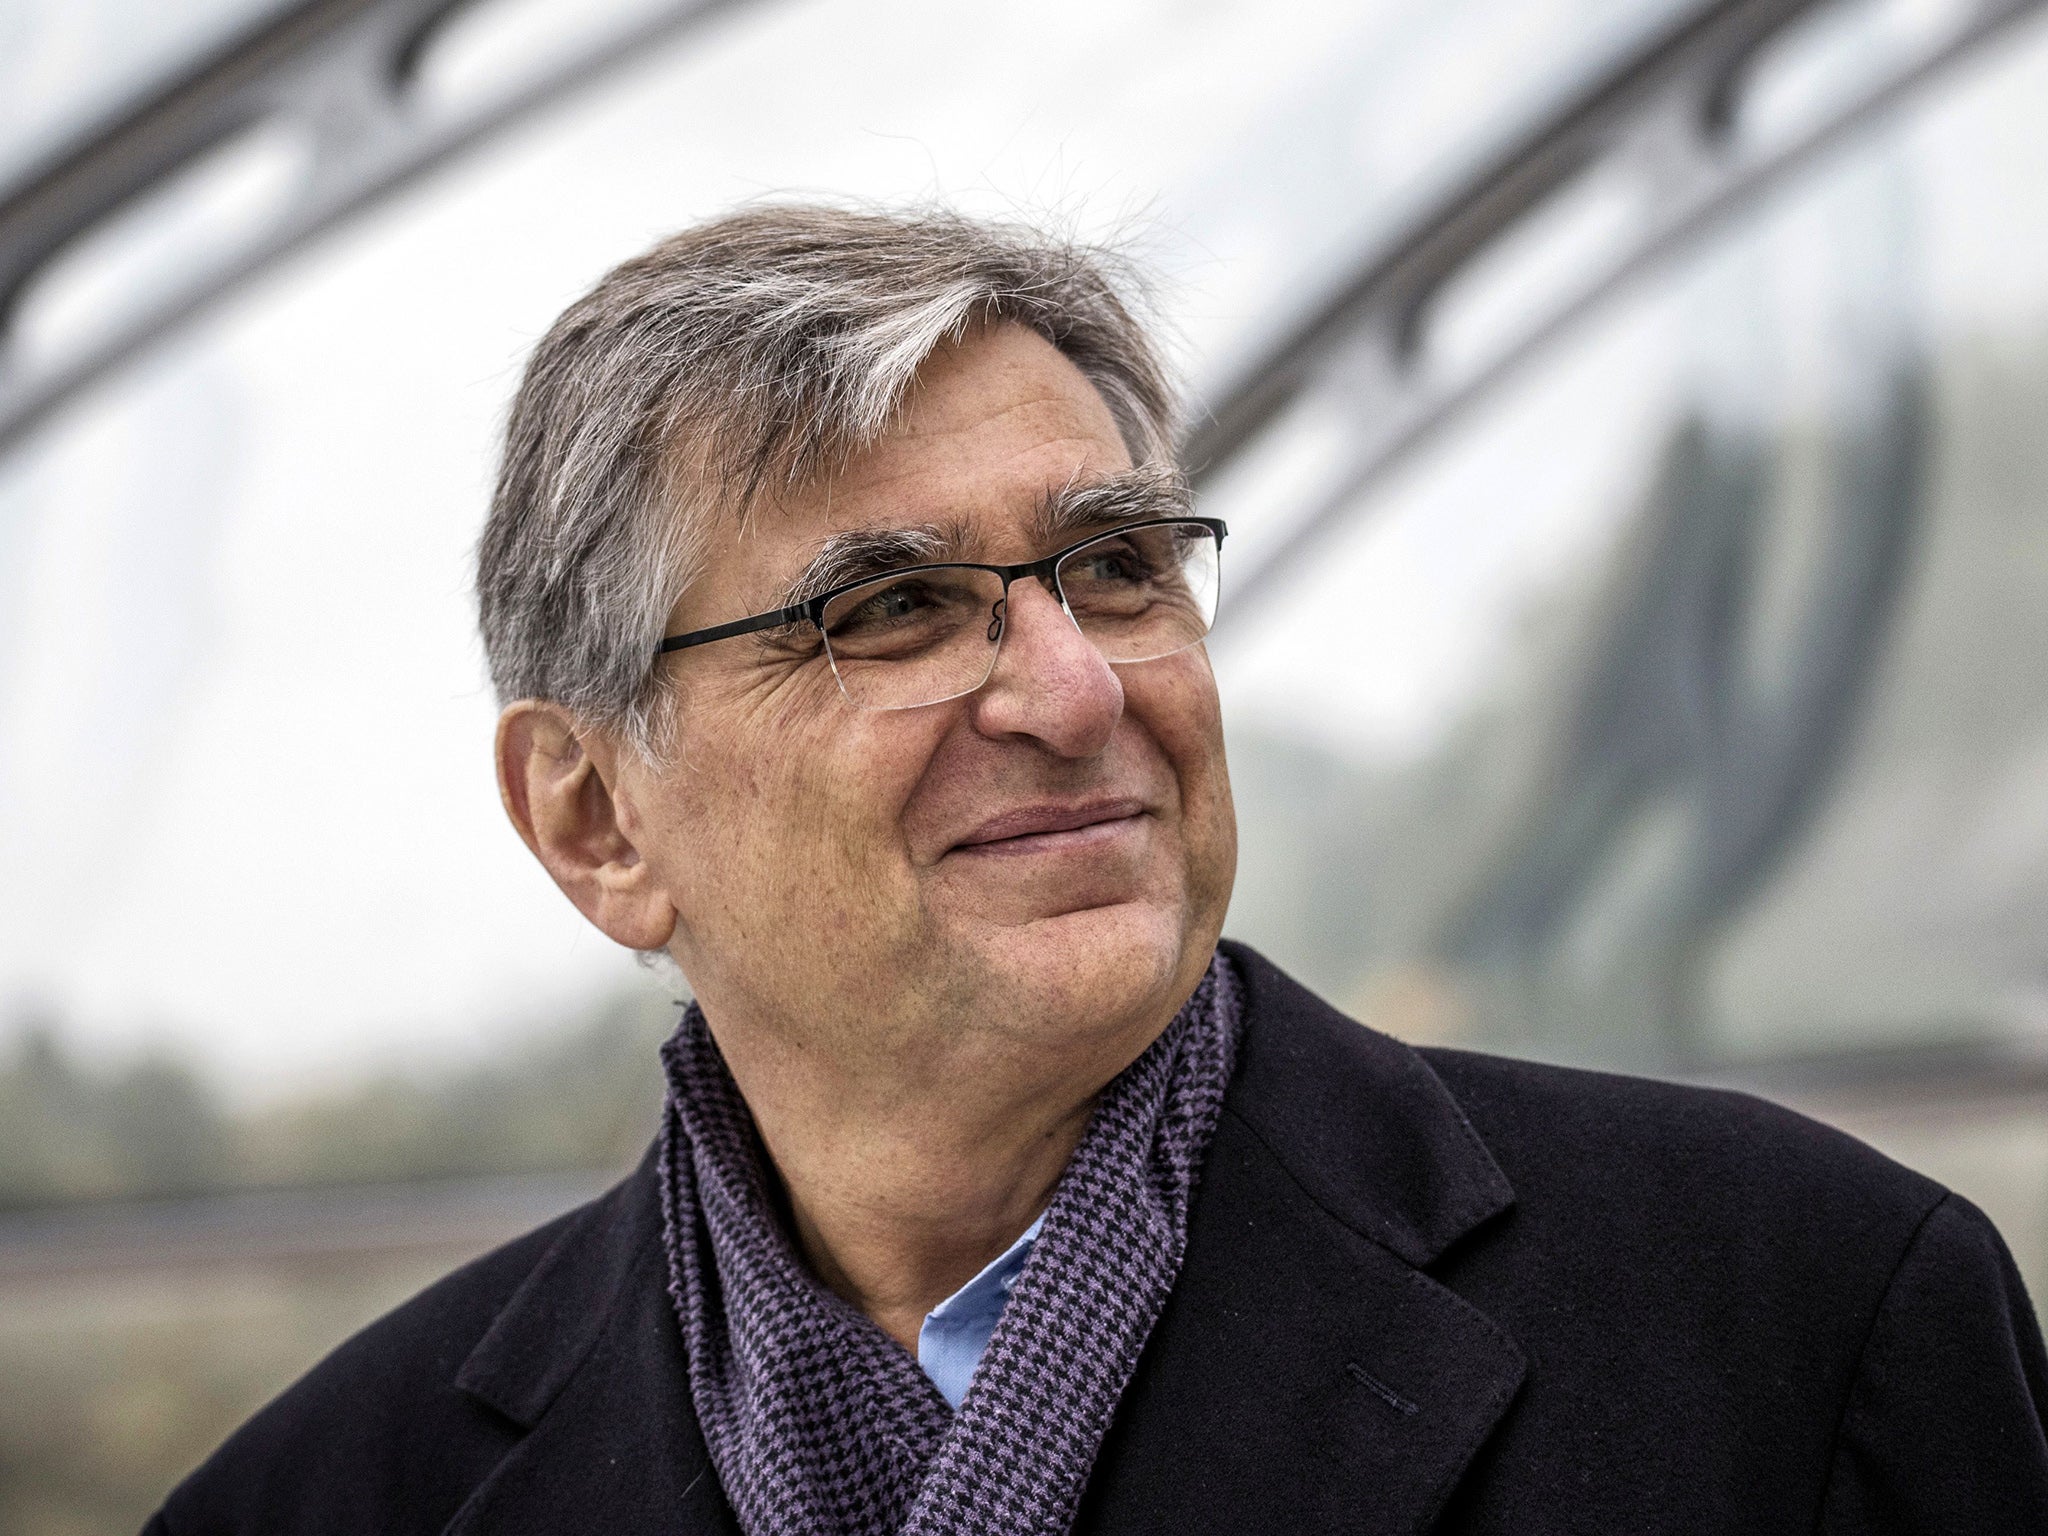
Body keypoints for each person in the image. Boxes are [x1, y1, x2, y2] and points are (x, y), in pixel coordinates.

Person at [146, 206, 2048, 1535]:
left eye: (1119, 567)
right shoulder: (324, 1498)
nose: (1072, 688)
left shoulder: (1799, 1323)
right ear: (595, 820)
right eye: (889, 609)